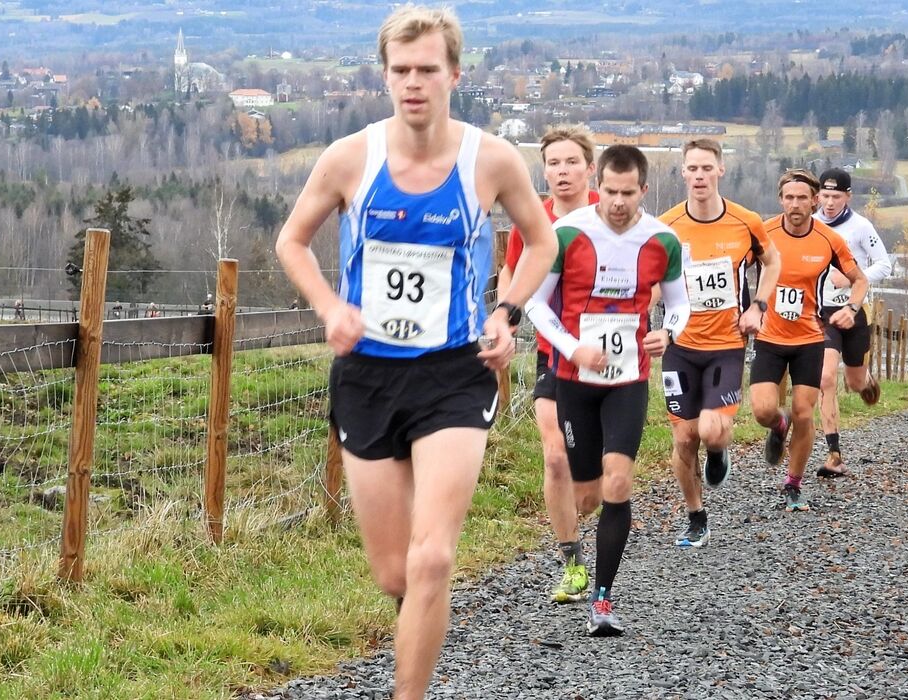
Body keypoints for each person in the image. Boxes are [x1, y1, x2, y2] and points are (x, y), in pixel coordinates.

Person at [273, 6, 556, 697]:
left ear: (454, 74)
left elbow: (542, 241)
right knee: (395, 574)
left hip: (454, 372)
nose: (414, 83)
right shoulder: (350, 158)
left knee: (433, 561)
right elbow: (291, 241)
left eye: (428, 69)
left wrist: (507, 312)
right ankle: (417, 630)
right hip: (367, 375)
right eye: (401, 70)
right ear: (384, 76)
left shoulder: (490, 159)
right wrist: (329, 306)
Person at [526, 144, 689, 635]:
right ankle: (570, 548)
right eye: (611, 192)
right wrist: (571, 347)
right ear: (601, 182)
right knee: (588, 495)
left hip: (628, 378)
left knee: (619, 482)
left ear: (644, 189)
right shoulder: (566, 233)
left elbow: (681, 304)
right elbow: (535, 305)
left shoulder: (663, 239)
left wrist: (669, 332)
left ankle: (602, 600)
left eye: (628, 194)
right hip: (574, 379)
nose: (618, 202)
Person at [657, 138, 779, 546]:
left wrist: (758, 305)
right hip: (678, 345)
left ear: (720, 171)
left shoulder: (745, 222)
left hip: (726, 344)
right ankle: (696, 516)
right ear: (683, 173)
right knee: (683, 437)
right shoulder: (667, 225)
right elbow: (653, 279)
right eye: (692, 169)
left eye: (706, 168)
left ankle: (718, 451)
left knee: (710, 431)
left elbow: (772, 261)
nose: (699, 176)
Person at [496, 123, 600, 603]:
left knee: (592, 487)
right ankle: (573, 563)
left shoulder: (611, 212)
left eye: (571, 162)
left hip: (608, 360)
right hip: (553, 355)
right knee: (555, 455)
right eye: (553, 163)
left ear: (589, 167)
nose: (562, 171)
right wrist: (505, 317)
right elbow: (512, 271)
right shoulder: (532, 220)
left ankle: (593, 501)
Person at [751, 169, 868, 513]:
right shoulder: (764, 234)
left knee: (805, 412)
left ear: (815, 201)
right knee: (762, 411)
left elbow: (859, 280)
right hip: (770, 337)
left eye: (803, 198)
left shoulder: (828, 240)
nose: (796, 204)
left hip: (808, 339)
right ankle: (778, 424)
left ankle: (793, 484)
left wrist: (852, 306)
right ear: (780, 200)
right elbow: (733, 267)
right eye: (789, 197)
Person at [813, 168, 890, 476]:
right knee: (826, 378)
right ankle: (834, 453)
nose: (830, 203)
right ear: (817, 195)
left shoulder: (860, 226)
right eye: (825, 196)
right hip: (822, 314)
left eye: (836, 196)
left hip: (854, 310)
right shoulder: (810, 224)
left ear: (848, 196)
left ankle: (866, 380)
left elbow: (884, 264)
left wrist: (851, 278)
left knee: (854, 381)